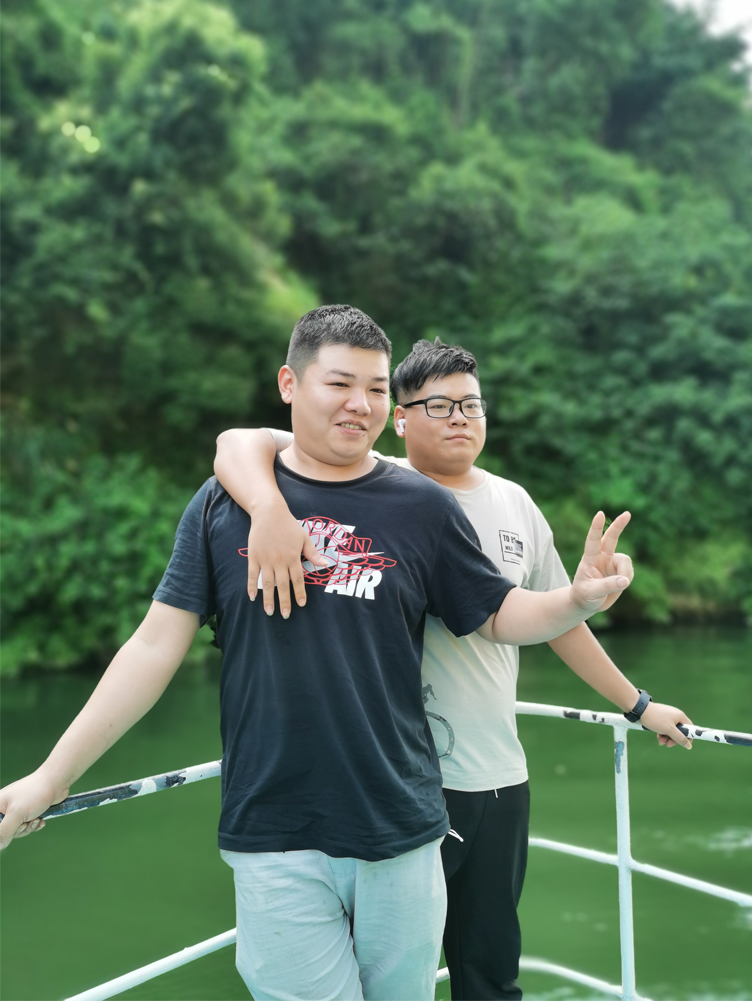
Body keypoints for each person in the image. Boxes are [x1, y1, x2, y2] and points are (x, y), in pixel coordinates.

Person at [0, 307, 635, 1001]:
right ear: (289, 384)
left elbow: (499, 613)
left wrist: (576, 599)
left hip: (403, 825)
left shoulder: (423, 505)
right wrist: (53, 776)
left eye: (376, 388)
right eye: (339, 383)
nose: (360, 404)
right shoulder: (221, 506)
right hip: (274, 827)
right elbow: (153, 646)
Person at [213, 335, 692, 1001]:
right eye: (438, 405)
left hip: (495, 775)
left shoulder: (515, 504)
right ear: (398, 418)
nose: (460, 417)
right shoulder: (366, 480)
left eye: (472, 404)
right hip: (395, 786)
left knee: (489, 969)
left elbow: (558, 618)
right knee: (369, 972)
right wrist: (268, 506)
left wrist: (637, 704)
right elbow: (241, 443)